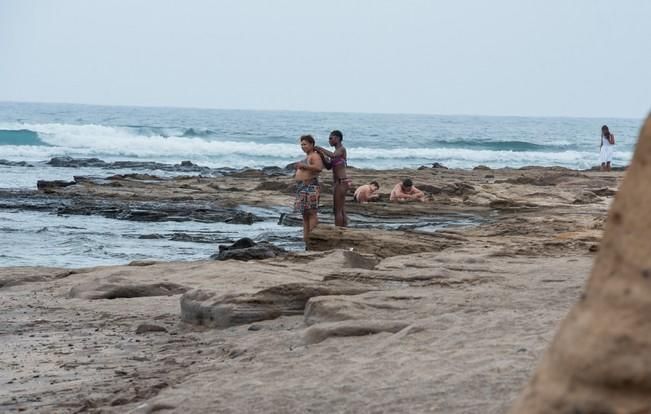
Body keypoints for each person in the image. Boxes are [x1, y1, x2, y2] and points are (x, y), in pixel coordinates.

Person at [315, 130, 349, 226]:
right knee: (340, 209)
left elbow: (333, 155)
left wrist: (320, 149)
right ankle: (343, 229)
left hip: (341, 182)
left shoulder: (341, 149)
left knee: (337, 210)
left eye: (331, 138)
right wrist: (321, 155)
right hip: (339, 183)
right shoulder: (336, 151)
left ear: (338, 138)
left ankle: (338, 230)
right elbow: (329, 166)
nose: (329, 141)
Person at [294, 134, 324, 243]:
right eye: (301, 144)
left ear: (312, 144)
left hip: (310, 187)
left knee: (311, 213)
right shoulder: (307, 156)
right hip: (302, 187)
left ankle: (312, 238)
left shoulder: (314, 156)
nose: (303, 146)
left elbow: (318, 168)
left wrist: (303, 166)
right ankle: (306, 239)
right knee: (305, 214)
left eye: (305, 144)